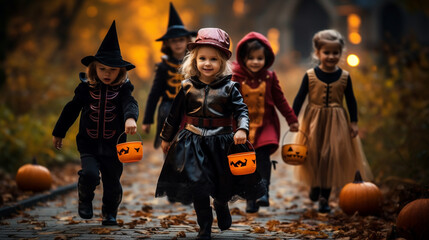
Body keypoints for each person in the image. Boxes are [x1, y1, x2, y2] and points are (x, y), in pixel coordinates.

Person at [155, 28, 266, 240]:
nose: (207, 63)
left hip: (221, 142)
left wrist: (242, 129)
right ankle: (204, 226)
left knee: (222, 184)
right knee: (198, 185)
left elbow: (241, 110)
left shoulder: (230, 87)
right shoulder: (187, 87)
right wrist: (166, 137)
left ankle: (221, 203)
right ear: (194, 60)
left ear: (222, 62)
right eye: (202, 58)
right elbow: (174, 115)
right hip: (192, 141)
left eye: (213, 59)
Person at [52, 20, 139, 225]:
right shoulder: (85, 88)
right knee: (90, 174)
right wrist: (59, 131)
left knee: (112, 184)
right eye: (102, 69)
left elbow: (130, 104)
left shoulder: (123, 89)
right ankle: (85, 198)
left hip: (114, 146)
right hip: (88, 143)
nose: (107, 74)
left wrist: (130, 118)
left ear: (120, 71)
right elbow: (71, 109)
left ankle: (109, 213)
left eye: (112, 70)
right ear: (94, 68)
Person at [292, 29, 372, 213]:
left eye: (335, 53)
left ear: (341, 53)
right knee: (313, 154)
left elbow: (351, 100)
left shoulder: (344, 77)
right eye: (326, 52)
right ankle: (315, 186)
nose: (331, 56)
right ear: (317, 53)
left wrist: (354, 122)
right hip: (313, 120)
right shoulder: (310, 75)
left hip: (336, 121)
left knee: (330, 157)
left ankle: (324, 198)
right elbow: (299, 98)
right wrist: (293, 118)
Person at [232, 32, 299, 213]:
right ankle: (250, 198)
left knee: (262, 157)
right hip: (240, 127)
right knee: (246, 162)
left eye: (259, 58)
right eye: (251, 58)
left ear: (267, 58)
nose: (255, 62)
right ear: (243, 58)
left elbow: (280, 100)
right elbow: (226, 101)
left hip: (265, 124)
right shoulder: (235, 77)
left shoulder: (269, 77)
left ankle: (263, 191)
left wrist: (291, 119)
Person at [141, 2, 196, 149]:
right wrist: (147, 120)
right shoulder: (163, 67)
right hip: (168, 108)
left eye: (181, 40)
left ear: (187, 40)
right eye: (173, 41)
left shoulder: (196, 63)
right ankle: (169, 161)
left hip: (190, 107)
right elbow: (154, 94)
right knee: (169, 143)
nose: (177, 44)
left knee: (189, 144)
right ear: (167, 44)